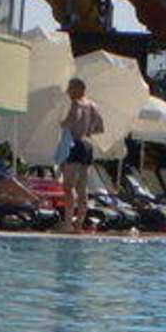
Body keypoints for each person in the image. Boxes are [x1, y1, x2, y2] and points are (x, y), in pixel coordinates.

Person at [57, 77, 104, 231]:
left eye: (70, 88)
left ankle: (68, 223)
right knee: (82, 187)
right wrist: (87, 130)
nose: (68, 92)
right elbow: (100, 128)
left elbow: (72, 120)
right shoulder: (93, 106)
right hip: (88, 146)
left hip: (75, 144)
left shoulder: (76, 104)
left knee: (68, 186)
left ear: (79, 89)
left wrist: (61, 124)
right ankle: (79, 223)